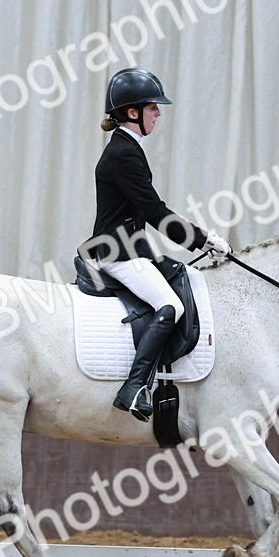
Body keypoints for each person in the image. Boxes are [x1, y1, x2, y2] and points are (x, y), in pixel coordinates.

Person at [81, 67, 232, 421]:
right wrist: (202, 238)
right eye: (153, 108)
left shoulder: (128, 147)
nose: (159, 114)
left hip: (131, 246)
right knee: (171, 306)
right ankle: (134, 387)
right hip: (116, 252)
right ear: (132, 113)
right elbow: (153, 210)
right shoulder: (124, 154)